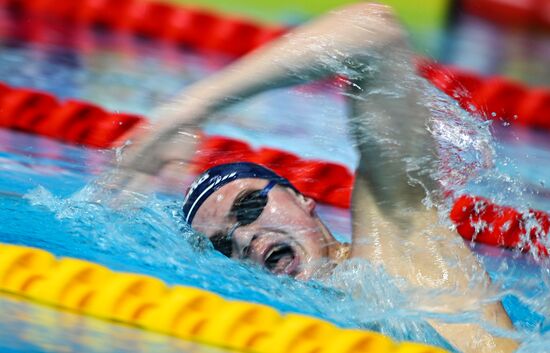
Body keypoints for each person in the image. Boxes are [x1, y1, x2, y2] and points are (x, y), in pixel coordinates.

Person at [109, 3, 518, 352]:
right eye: (222, 245)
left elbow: (376, 29)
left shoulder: (396, 241)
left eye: (249, 206)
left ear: (303, 199)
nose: (244, 238)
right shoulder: (294, 320)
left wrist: (194, 106)